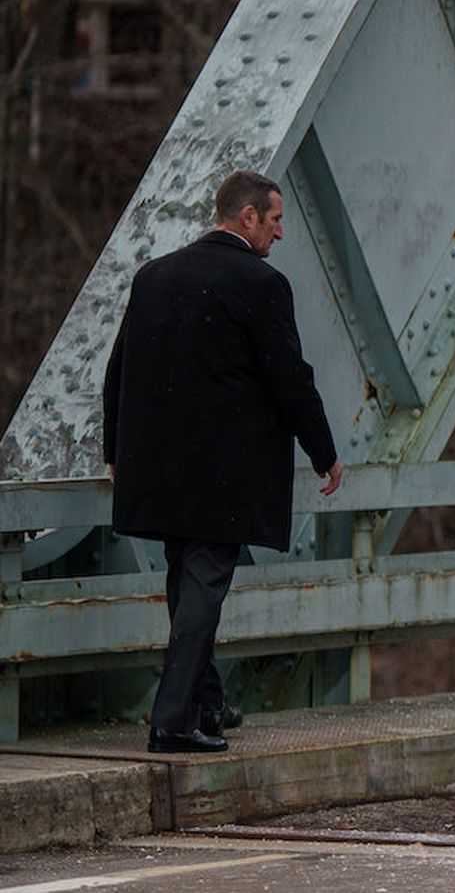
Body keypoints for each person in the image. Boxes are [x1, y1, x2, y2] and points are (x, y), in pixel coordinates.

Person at [104, 170, 343, 753]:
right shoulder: (260, 283)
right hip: (220, 473)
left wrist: (115, 451)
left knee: (186, 586)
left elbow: (118, 370)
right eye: (276, 219)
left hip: (159, 468)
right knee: (204, 587)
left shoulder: (154, 276)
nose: (280, 233)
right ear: (248, 218)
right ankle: (173, 721)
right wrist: (324, 452)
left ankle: (206, 704)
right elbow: (291, 378)